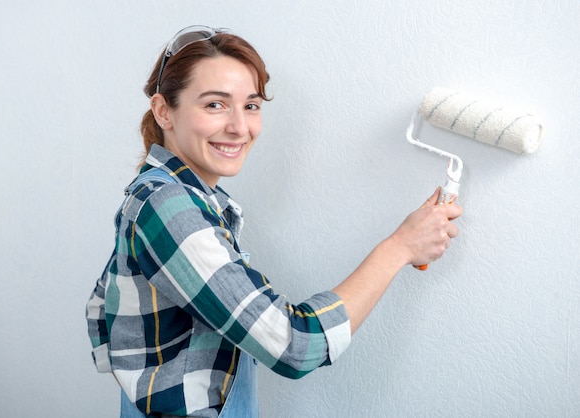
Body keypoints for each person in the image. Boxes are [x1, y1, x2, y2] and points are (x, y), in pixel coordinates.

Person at [86, 25, 462, 418]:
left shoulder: (164, 196)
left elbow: (101, 320)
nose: (239, 127)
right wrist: (399, 247)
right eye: (215, 104)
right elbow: (296, 347)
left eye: (250, 105)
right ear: (164, 111)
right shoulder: (168, 207)